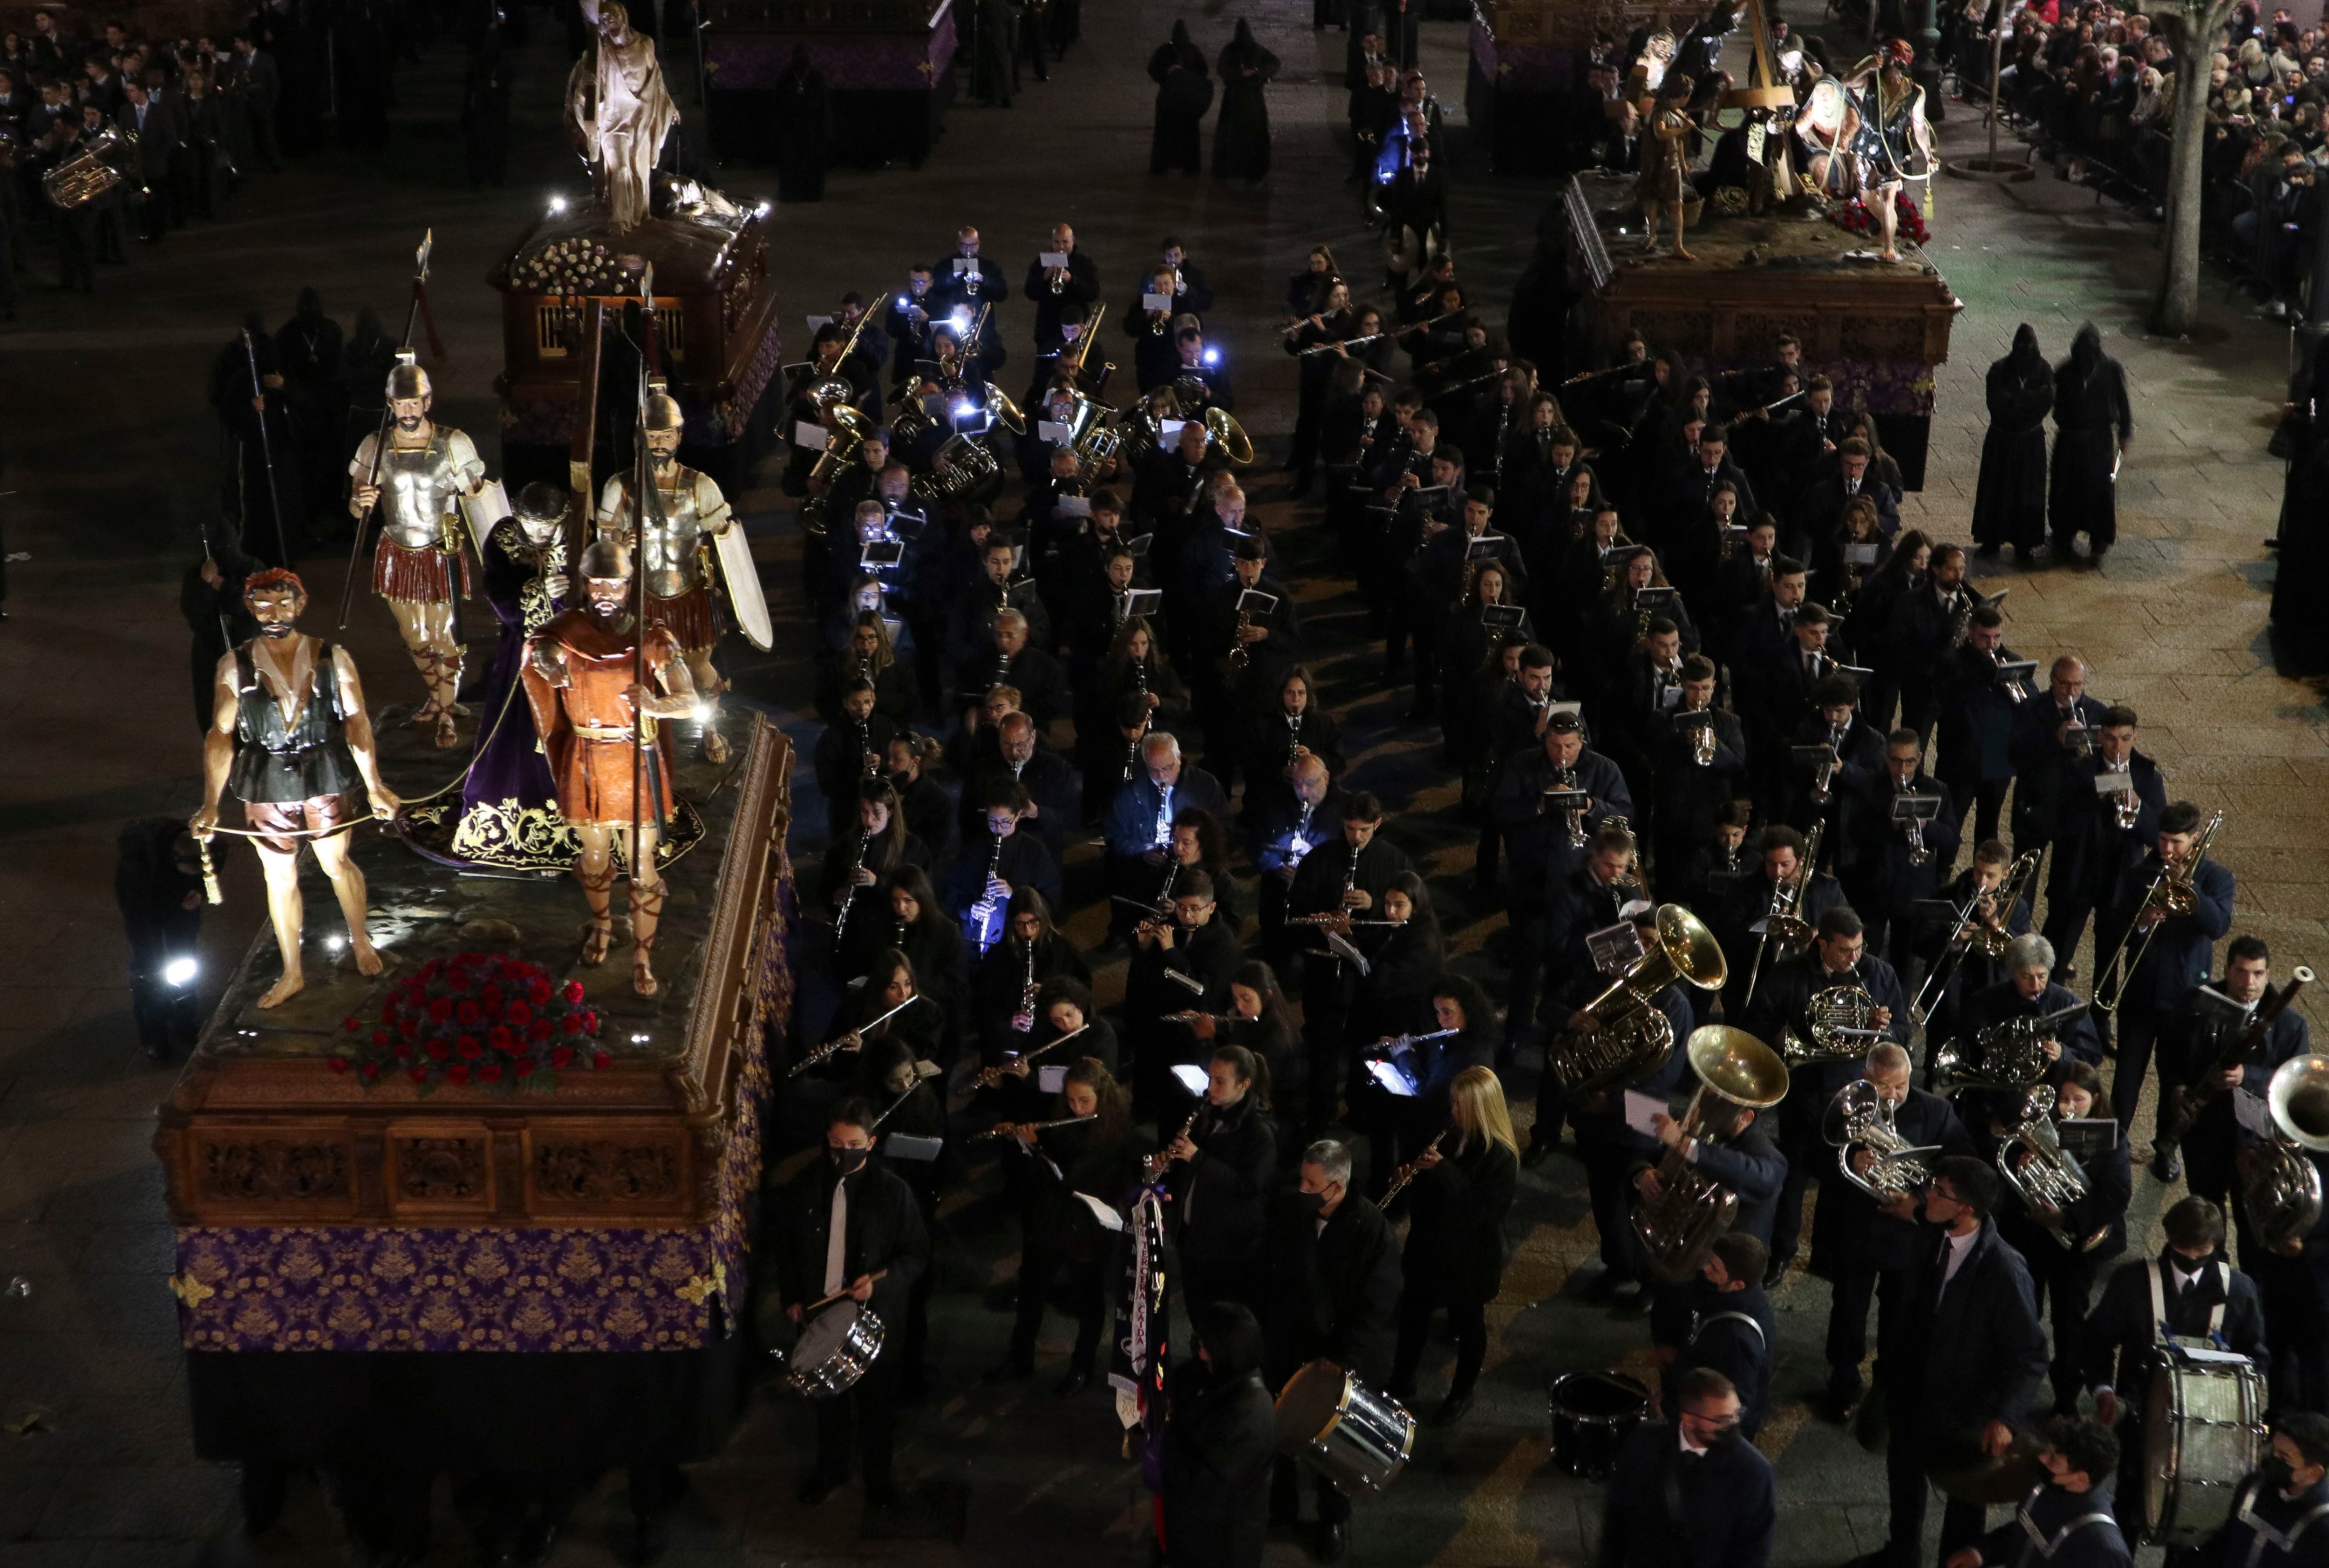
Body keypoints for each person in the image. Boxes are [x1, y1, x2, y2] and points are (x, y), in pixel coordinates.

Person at [188, 569, 400, 1010]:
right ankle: (292, 970)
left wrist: (375, 785)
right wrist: (211, 803)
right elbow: (220, 735)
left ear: (300, 605)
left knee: (336, 862)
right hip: (266, 779)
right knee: (279, 876)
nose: (274, 613)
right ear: (250, 608)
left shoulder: (332, 657)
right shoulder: (235, 664)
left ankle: (361, 941)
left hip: (324, 772)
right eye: (263, 605)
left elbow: (357, 722)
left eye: (284, 604)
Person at [520, 539, 700, 997]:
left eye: (614, 584)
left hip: (634, 759)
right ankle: (602, 925)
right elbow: (542, 651)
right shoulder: (567, 630)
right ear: (585, 584)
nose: (605, 591)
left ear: (627, 586)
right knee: (596, 859)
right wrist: (549, 665)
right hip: (587, 759)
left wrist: (656, 705)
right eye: (597, 582)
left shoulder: (653, 638)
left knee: (641, 867)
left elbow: (691, 700)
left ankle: (642, 954)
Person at [1849, 1156, 2049, 1568]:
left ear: (1966, 1210)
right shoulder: (1931, 1234)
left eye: (1941, 1192)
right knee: (1903, 1477)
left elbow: (2030, 1354)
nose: (1929, 1196)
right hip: (1913, 1387)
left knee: (1964, 1503)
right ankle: (1902, 1552)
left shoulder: (2004, 1271)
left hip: (1965, 1406)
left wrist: (2006, 1418)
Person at [767, 1097, 930, 1513]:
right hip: (822, 1311)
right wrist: (793, 1297)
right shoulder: (805, 1186)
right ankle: (831, 1470)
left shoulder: (893, 1192)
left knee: (877, 1408)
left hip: (875, 1318)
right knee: (828, 1406)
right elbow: (788, 1250)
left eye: (853, 1143)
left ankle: (878, 1481)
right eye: (836, 1142)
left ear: (871, 1142)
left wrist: (878, 1285)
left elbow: (915, 1254)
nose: (843, 1151)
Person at [2080, 1195, 2268, 1546]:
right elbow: (2095, 1340)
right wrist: (2104, 1390)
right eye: (2184, 1248)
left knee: (2197, 1523)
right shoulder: (2133, 1282)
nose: (2192, 1258)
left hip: (2212, 1428)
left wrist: (2253, 1401)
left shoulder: (2240, 1291)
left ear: (2215, 1244)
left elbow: (2257, 1355)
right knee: (2130, 1505)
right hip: (2141, 1418)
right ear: (2167, 1236)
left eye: (2202, 1250)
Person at [1814, 1042, 1972, 1421]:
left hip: (1909, 1236)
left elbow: (1963, 1162)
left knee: (1900, 1314)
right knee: (1849, 1308)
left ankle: (1887, 1385)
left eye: (1900, 1086)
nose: (1893, 1095)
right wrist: (1850, 1159)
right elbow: (1810, 1155)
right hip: (1857, 1229)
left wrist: (1917, 1200)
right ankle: (1843, 1379)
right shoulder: (1847, 1105)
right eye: (1885, 1086)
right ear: (1867, 1078)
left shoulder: (1937, 1111)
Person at [347, 354, 493, 749]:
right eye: (400, 404)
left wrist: (474, 499)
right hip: (396, 549)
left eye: (415, 403)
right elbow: (356, 505)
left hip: (438, 549)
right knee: (413, 633)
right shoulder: (376, 445)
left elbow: (481, 498)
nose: (408, 411)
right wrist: (362, 500)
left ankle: (447, 710)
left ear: (428, 402)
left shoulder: (452, 443)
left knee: (443, 632)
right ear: (390, 405)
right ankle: (436, 695)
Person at [1263, 1138, 1398, 1562]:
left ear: (1338, 1187)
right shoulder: (1297, 1210)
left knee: (1331, 1443)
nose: (1302, 1189)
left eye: (1311, 1183)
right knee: (1280, 1428)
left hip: (1338, 1356)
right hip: (1290, 1344)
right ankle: (1282, 1506)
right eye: (1302, 1178)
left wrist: (1342, 1359)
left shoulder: (1372, 1230)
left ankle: (1332, 1517)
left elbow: (1376, 1305)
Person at [2095, 800, 2234, 1177]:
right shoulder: (2142, 872)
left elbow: (2218, 925)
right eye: (2162, 840)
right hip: (2142, 992)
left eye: (2176, 841)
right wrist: (2141, 921)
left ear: (2194, 840)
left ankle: (2165, 1148)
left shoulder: (2216, 878)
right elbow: (2116, 927)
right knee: (2127, 1077)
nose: (2167, 849)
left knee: (2175, 1082)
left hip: (2185, 1000)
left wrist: (2187, 888)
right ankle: (2115, 1145)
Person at [2163, 936, 2311, 1264]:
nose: (2250, 982)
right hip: (2205, 1132)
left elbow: (2296, 1082)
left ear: (2268, 973)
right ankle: (2212, 1270)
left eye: (2258, 974)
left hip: (2256, 1139)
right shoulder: (2196, 1004)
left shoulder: (2290, 1025)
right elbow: (2171, 1054)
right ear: (2227, 970)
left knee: (2252, 1221)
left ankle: (2247, 1287)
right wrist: (2177, 1088)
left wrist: (2250, 1077)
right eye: (2242, 972)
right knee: (2207, 1212)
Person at [1387, 1066, 1518, 1426]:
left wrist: (1443, 1169)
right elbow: (1432, 1187)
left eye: (1460, 1106)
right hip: (1429, 1248)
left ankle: (1462, 1391)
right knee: (1413, 1315)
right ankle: (1402, 1379)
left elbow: (1483, 1210)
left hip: (1468, 1259)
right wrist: (1410, 1176)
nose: (1454, 1112)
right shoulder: (1449, 1132)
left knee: (1469, 1324)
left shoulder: (1501, 1157)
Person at [1597, 1368, 1777, 1568]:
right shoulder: (1643, 1442)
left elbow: (1752, 1556)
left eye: (1737, 1414)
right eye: (1722, 1420)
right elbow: (1616, 1517)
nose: (1734, 1426)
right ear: (1690, 1420)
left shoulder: (1754, 1474)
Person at [1159, 1044, 1279, 1310]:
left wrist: (1196, 1157)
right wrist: (1173, 1163)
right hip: (1194, 1236)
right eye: (1210, 1077)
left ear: (1244, 1084)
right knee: (1196, 1309)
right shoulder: (1208, 1113)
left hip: (1227, 1248)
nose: (1210, 1088)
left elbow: (1249, 1188)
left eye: (1220, 1081)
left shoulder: (1260, 1133)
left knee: (1219, 1320)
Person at [1160, 1303, 1277, 1568]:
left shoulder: (1251, 1418)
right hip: (1193, 1533)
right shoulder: (1221, 1373)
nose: (1199, 1351)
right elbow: (1185, 1378)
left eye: (1205, 1346)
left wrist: (1163, 1434)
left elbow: (1203, 1489)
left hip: (1219, 1547)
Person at [1941, 1416, 2131, 1568]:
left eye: (2054, 1459)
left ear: (2081, 1477)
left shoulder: (2104, 1549)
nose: (2042, 1458)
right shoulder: (2049, 1486)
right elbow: (2030, 1533)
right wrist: (1982, 1553)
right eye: (2048, 1451)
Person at [2049, 323, 2134, 568]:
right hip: (2070, 440)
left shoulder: (2110, 371)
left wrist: (2125, 432)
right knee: (2067, 489)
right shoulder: (2065, 371)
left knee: (2099, 492)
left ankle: (2099, 539)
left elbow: (2123, 403)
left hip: (2099, 443)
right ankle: (2064, 533)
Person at [2199, 1412, 2329, 1568]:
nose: (2272, 1460)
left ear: (2313, 1473)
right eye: (2273, 1450)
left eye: (2284, 1458)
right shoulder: (2253, 1487)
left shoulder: (2323, 1525)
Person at [1971, 324, 2053, 562]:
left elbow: (2046, 402)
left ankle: (2024, 544)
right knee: (1995, 490)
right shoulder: (1999, 369)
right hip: (2002, 440)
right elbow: (1996, 403)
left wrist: (2015, 398)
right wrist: (2030, 399)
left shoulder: (2044, 370)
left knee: (2028, 494)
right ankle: (1991, 540)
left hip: (2030, 442)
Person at [1212, 20, 1279, 182]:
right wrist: (1245, 74)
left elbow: (1274, 64)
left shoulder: (1239, 50)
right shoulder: (1242, 50)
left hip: (1245, 98)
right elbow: (1222, 69)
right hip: (1243, 99)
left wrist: (1256, 73)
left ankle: (1243, 168)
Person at [772, 46, 831, 202]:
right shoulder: (786, 77)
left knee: (811, 161)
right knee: (791, 161)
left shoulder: (816, 77)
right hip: (790, 127)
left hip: (812, 127)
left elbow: (823, 104)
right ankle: (791, 193)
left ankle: (812, 193)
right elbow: (778, 104)